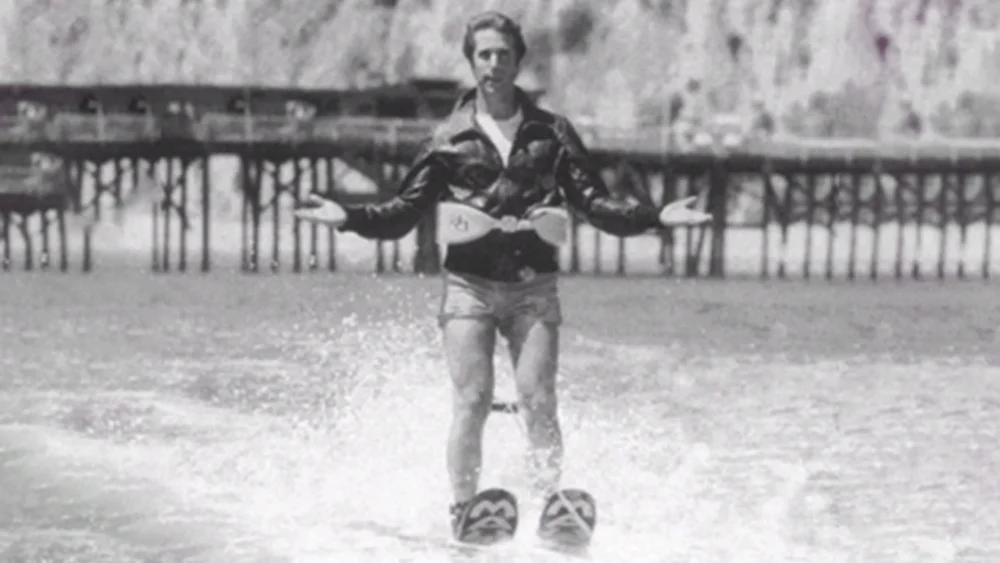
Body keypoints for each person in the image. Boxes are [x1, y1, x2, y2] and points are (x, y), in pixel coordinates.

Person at [294, 10, 711, 535]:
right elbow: (403, 212)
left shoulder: (552, 133)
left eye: (503, 54)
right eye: (484, 54)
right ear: (472, 62)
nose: (493, 63)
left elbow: (594, 203)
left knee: (538, 399)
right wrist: (349, 217)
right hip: (468, 288)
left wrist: (657, 217)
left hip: (534, 287)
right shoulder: (448, 138)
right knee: (472, 399)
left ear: (517, 62)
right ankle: (463, 510)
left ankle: (551, 507)